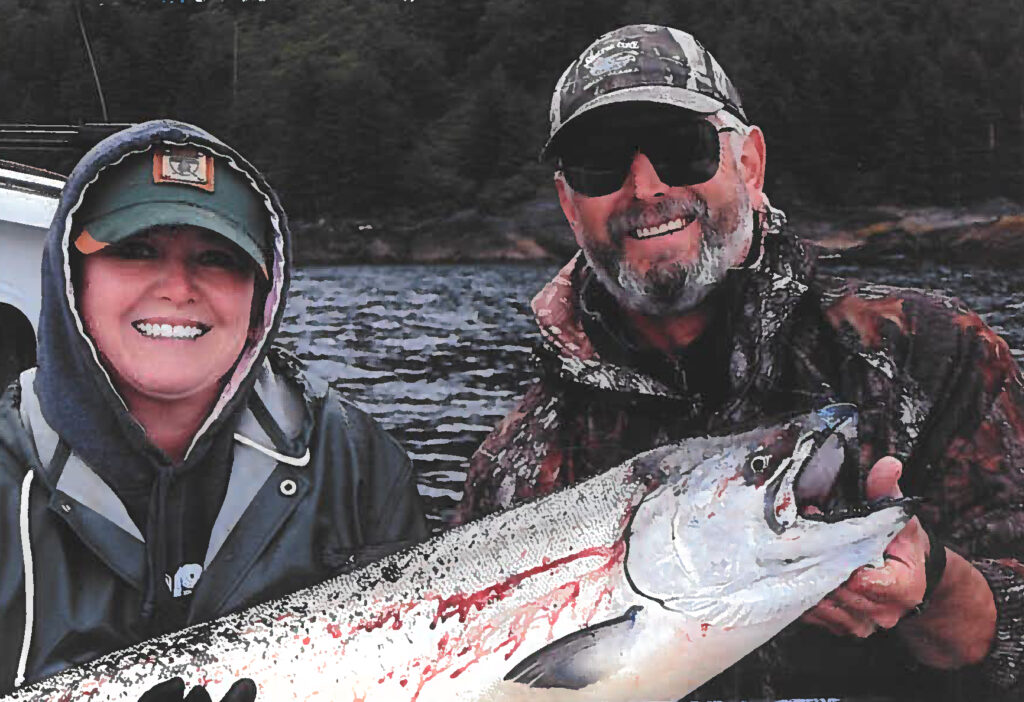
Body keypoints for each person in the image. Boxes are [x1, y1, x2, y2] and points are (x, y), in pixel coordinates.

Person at [455, 24, 1024, 701]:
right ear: (568, 206)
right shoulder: (513, 465)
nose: (645, 188)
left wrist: (940, 586)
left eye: (682, 148)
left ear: (749, 165)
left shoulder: (937, 355)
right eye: (599, 165)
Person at [0, 120, 428, 700]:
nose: (178, 287)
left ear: (260, 298)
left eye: (219, 258)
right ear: (73, 281)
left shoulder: (359, 466)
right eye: (136, 250)